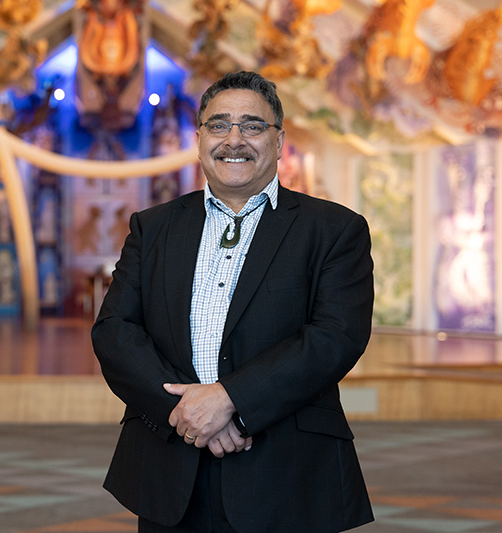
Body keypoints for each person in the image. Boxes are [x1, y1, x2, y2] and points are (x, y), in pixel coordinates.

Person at [91, 70, 375, 532]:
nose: (234, 139)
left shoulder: (334, 230)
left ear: (280, 140)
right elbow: (115, 331)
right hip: (170, 468)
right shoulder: (153, 226)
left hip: (286, 472)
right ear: (199, 138)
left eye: (253, 125)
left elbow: (335, 337)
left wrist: (230, 400)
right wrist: (185, 413)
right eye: (219, 125)